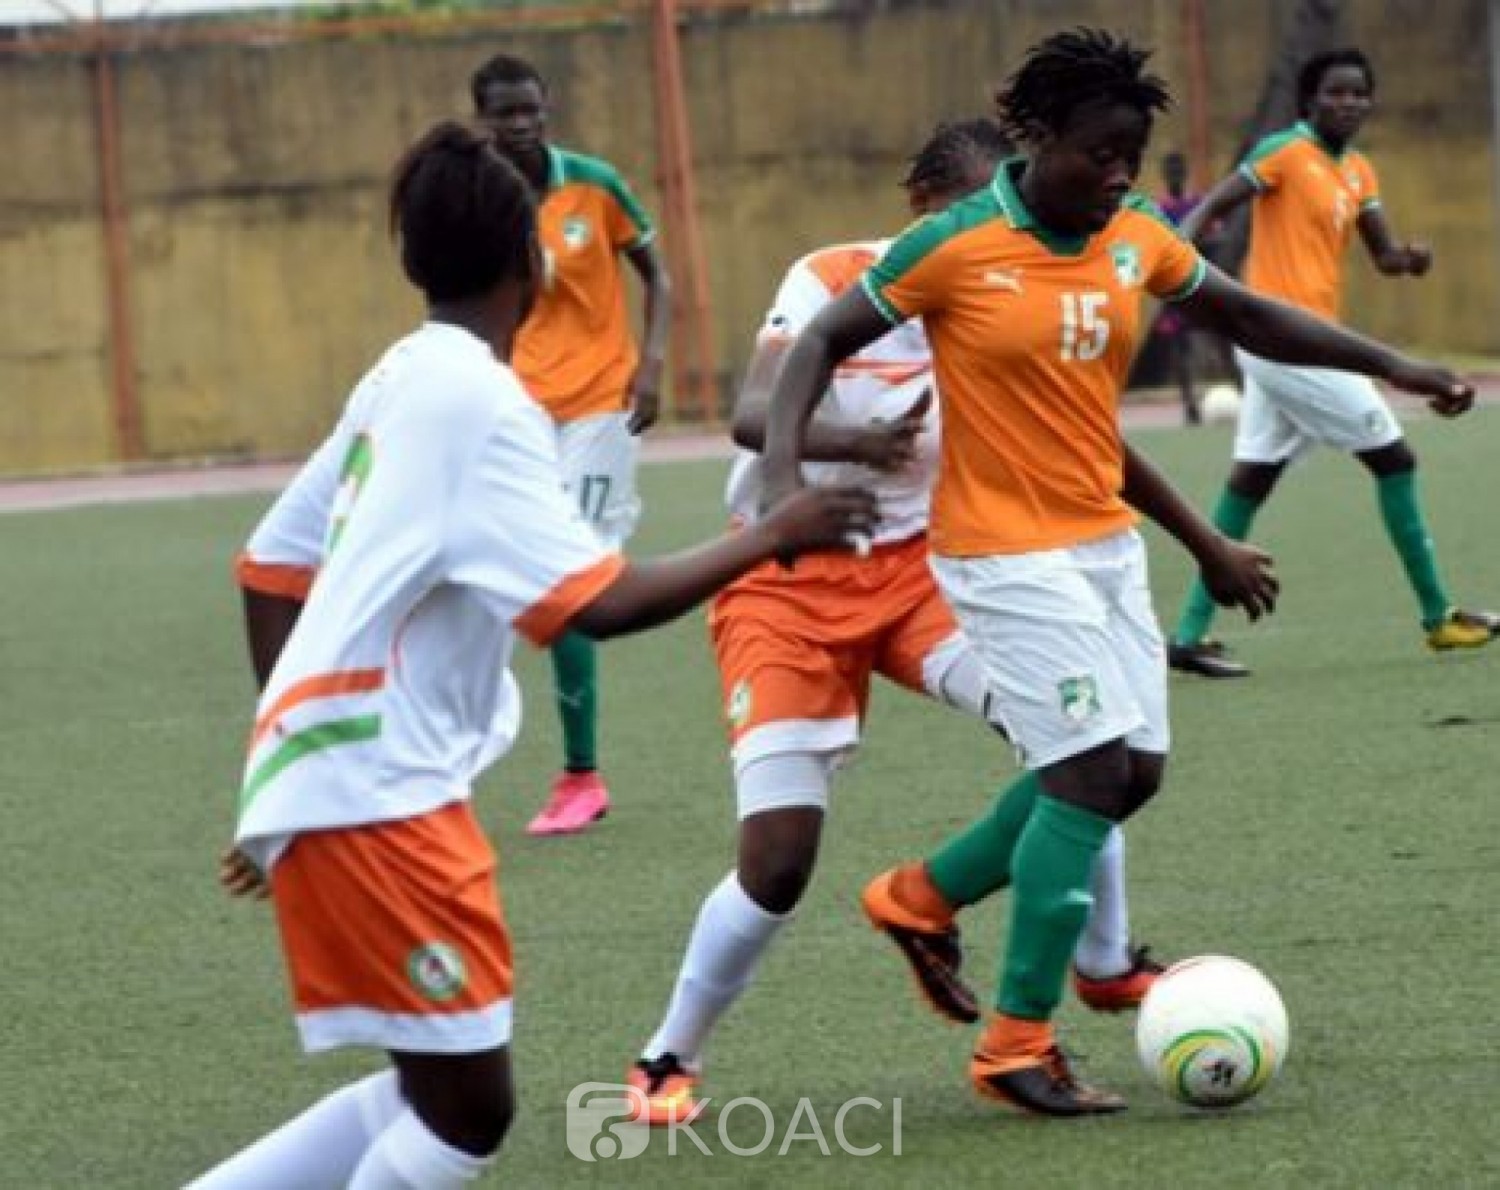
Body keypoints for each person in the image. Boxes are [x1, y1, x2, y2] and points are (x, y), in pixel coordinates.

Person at [762, 28, 1471, 1115]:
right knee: (1087, 775)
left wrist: (1394, 364)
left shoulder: (1134, 233)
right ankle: (1015, 1042)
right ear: (1038, 137)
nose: (1118, 177)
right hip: (999, 556)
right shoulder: (954, 245)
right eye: (1099, 154)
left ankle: (918, 895)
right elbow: (814, 346)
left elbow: (1252, 313)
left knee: (1133, 774)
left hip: (1099, 545)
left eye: (1131, 158)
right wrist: (781, 486)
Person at [189, 120, 874, 1189]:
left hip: (337, 772)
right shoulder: (485, 403)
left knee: (437, 1089)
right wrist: (772, 534)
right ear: (537, 262)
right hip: (380, 789)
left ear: (411, 258)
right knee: (467, 1113)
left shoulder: (400, 374)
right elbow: (592, 601)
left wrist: (287, 754)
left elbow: (268, 571)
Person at [624, 118, 1161, 1127]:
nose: (986, 225)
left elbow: (1089, 435)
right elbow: (753, 408)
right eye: (967, 206)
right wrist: (847, 443)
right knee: (779, 860)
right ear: (923, 205)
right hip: (784, 585)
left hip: (927, 576)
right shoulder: (838, 274)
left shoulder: (1020, 294)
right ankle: (668, 1053)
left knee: (1085, 743)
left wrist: (1202, 542)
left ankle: (1101, 958)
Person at [1167, 47, 1498, 678]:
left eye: (1358, 94)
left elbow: (1384, 256)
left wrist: (1410, 259)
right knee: (1394, 457)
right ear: (1309, 100)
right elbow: (1216, 203)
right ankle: (1439, 619)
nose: (1347, 103)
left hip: (1312, 342)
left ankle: (1187, 635)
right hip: (1284, 340)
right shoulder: (1283, 152)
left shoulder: (1359, 173)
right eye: (1334, 93)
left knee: (1250, 480)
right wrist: (1183, 244)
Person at [472, 52, 673, 833]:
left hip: (599, 404)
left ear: (547, 108)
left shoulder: (594, 182)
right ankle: (453, 768)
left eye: (531, 110)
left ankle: (581, 777)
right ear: (482, 118)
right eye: (504, 113)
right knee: (490, 586)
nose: (520, 124)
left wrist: (651, 365)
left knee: (572, 588)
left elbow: (658, 275)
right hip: (516, 408)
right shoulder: (483, 198)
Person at [1154, 150, 1206, 424]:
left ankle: (1241, 391)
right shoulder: (1158, 209)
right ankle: (1190, 405)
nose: (1175, 176)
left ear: (1184, 175)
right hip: (1173, 290)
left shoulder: (1198, 205)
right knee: (1180, 347)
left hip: (1200, 284)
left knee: (1221, 338)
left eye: (1178, 171)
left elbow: (1213, 236)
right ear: (1165, 176)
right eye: (1170, 172)